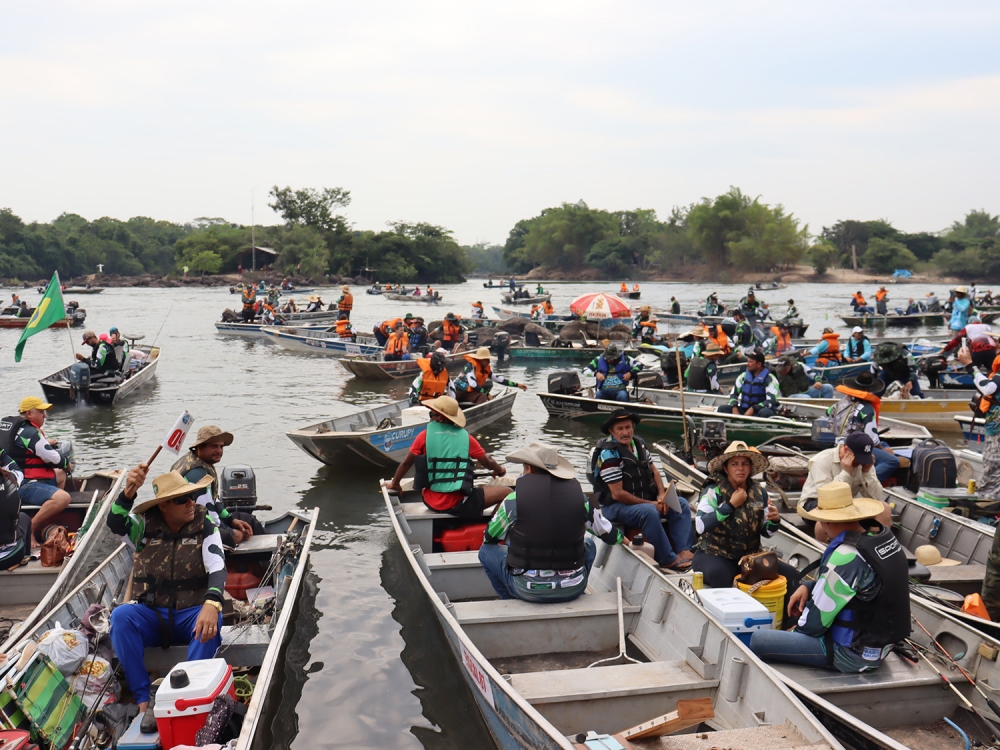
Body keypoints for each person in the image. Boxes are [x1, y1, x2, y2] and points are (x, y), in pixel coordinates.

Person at [107, 464, 226, 725]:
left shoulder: (205, 524)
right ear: (163, 506)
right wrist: (127, 494)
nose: (191, 503)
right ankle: (142, 700)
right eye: (182, 499)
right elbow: (115, 523)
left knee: (211, 620)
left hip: (190, 614)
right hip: (153, 614)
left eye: (192, 496)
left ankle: (185, 697)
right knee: (121, 617)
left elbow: (218, 566)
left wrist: (212, 602)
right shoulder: (143, 527)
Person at [750, 482, 909, 673]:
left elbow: (814, 624)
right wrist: (809, 587)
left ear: (828, 522)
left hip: (851, 655)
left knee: (759, 640)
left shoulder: (846, 555)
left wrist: (793, 631)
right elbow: (857, 585)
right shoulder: (880, 540)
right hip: (878, 648)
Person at [479, 442, 622, 602]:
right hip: (573, 588)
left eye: (524, 467)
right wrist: (623, 540)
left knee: (485, 551)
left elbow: (489, 537)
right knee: (589, 544)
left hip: (527, 589)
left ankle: (509, 601)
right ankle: (576, 589)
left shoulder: (514, 499)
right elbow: (607, 533)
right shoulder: (580, 498)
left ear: (530, 468)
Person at [591, 411, 693, 571]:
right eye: (620, 429)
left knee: (682, 504)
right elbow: (617, 494)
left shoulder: (639, 444)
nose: (625, 432)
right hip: (614, 506)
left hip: (644, 501)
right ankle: (667, 559)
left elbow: (655, 472)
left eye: (628, 427)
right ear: (611, 431)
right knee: (649, 512)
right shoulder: (608, 454)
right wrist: (652, 504)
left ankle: (684, 550)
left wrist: (661, 496)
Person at [693, 441, 798, 587]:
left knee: (792, 575)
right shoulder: (713, 490)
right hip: (714, 554)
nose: (740, 468)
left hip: (751, 557)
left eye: (745, 464)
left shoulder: (760, 493)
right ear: (726, 468)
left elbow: (766, 533)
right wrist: (730, 506)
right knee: (721, 577)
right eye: (734, 464)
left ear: (750, 468)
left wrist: (774, 522)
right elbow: (700, 525)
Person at [387, 396, 511, 515]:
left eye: (431, 414)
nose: (430, 418)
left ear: (440, 418)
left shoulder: (424, 436)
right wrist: (499, 470)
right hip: (458, 503)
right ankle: (494, 529)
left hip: (430, 502)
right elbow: (487, 460)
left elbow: (406, 463)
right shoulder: (466, 438)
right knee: (509, 493)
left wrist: (395, 483)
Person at [170, 425, 265, 547]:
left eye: (221, 446)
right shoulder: (197, 474)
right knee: (238, 535)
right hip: (192, 528)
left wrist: (231, 520)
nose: (219, 451)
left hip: (203, 520)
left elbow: (214, 501)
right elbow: (206, 515)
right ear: (200, 447)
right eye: (214, 446)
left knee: (248, 520)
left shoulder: (197, 461)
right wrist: (231, 532)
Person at [0, 397, 72, 544]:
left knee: (60, 475)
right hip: (22, 485)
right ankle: (30, 528)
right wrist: (67, 464)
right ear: (29, 414)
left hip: (9, 482)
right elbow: (54, 459)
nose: (44, 415)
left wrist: (46, 442)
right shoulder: (30, 433)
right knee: (63, 498)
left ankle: (47, 514)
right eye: (41, 412)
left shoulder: (11, 428)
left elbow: (22, 448)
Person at [798, 433, 889, 542]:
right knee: (830, 516)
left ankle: (876, 543)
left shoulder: (864, 463)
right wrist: (846, 472)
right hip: (816, 503)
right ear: (846, 450)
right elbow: (827, 497)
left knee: (884, 508)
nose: (861, 463)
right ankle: (828, 550)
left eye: (864, 459)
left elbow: (876, 497)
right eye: (859, 458)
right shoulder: (822, 460)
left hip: (847, 504)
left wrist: (866, 473)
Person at [828, 371, 899, 484]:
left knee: (885, 445)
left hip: (838, 442)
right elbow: (873, 439)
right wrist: (884, 451)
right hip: (855, 447)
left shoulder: (839, 404)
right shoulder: (866, 409)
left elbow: (828, 413)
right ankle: (865, 483)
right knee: (892, 461)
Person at [454, 347, 527, 405]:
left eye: (488, 359)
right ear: (480, 359)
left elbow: (499, 379)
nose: (488, 361)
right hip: (458, 393)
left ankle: (478, 414)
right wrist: (487, 394)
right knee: (483, 395)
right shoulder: (470, 366)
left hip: (469, 394)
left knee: (482, 396)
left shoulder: (485, 369)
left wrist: (517, 385)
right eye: (486, 359)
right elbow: (473, 384)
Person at [720, 350, 779, 417]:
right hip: (744, 410)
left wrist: (753, 408)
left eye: (750, 362)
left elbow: (772, 401)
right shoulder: (743, 376)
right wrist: (734, 407)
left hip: (759, 411)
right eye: (747, 361)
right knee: (722, 409)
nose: (747, 364)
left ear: (759, 364)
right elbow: (733, 394)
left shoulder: (770, 379)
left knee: (766, 413)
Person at [0, 450, 31, 570]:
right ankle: (26, 557)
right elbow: (18, 472)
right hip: (8, 558)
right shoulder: (9, 479)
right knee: (23, 517)